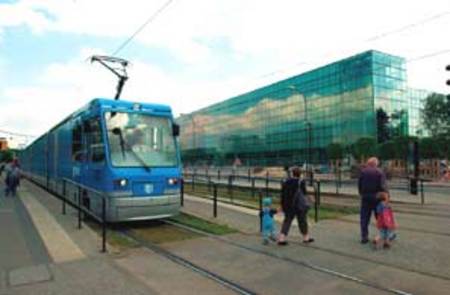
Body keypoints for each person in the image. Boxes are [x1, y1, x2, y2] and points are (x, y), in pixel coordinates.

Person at [278, 167, 314, 245]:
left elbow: (282, 194)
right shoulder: (301, 182)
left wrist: (281, 205)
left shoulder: (286, 181)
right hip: (299, 205)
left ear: (292, 173)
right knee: (302, 221)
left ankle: (282, 238)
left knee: (287, 221)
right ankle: (306, 237)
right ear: (300, 174)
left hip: (288, 205)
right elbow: (304, 193)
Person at [358, 157, 387, 244]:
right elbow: (383, 186)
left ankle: (364, 237)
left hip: (366, 197)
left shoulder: (363, 172)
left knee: (364, 218)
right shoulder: (379, 172)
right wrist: (386, 196)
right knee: (380, 218)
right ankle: (383, 235)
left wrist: (361, 193)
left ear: (369, 164)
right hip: (377, 198)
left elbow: (359, 184)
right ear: (376, 164)